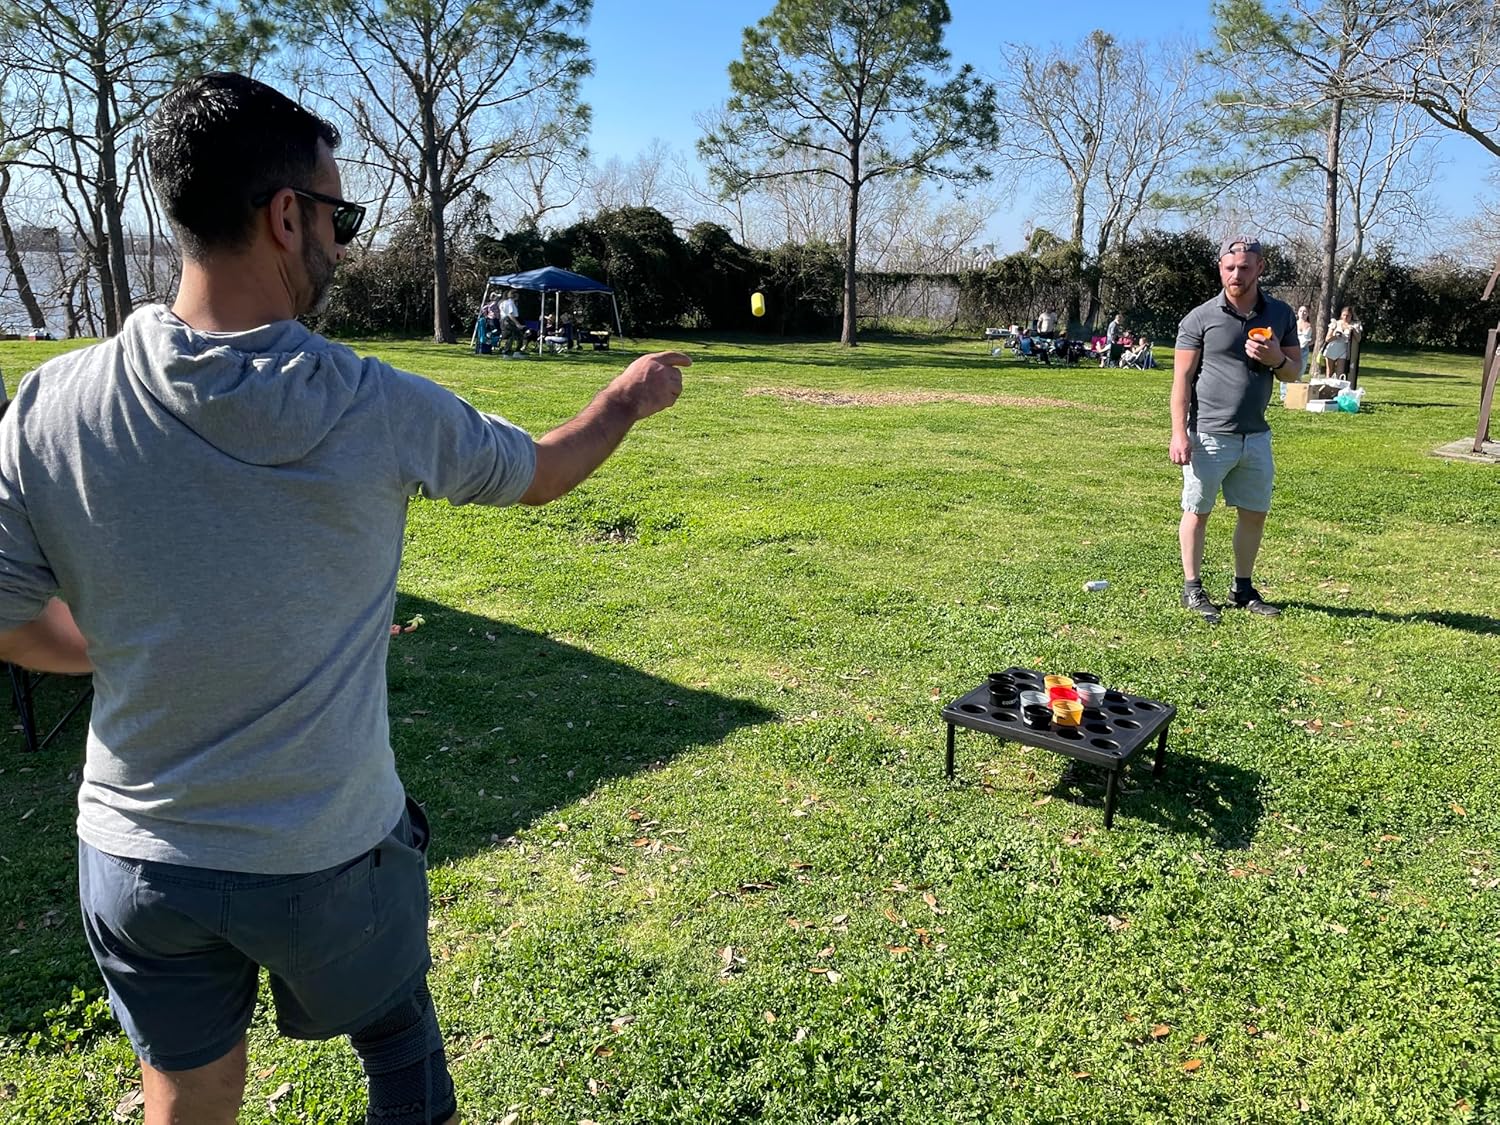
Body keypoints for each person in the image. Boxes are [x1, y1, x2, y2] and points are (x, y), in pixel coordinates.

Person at [0, 72, 688, 1125]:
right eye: (338, 215)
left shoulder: (47, 408)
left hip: (137, 861)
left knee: (186, 1096)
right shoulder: (379, 407)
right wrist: (627, 397)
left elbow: (8, 620)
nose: (340, 241)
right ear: (285, 218)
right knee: (400, 1038)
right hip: (326, 854)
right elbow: (544, 470)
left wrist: (118, 649)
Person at [1170, 235, 1300, 623]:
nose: (1236, 275)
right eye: (1230, 268)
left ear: (1260, 268)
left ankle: (1242, 588)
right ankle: (1192, 588)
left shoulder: (1279, 314)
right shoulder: (1199, 318)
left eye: (1245, 267)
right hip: (1208, 433)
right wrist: (1179, 432)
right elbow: (1181, 377)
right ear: (1220, 269)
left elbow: (1295, 371)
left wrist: (1276, 357)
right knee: (1198, 510)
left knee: (1254, 513)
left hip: (1255, 435)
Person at [1320, 305, 1360, 378]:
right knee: (1329, 372)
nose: (1345, 317)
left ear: (1351, 316)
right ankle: (1328, 387)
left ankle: (1338, 387)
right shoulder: (1335, 323)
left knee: (1340, 373)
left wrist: (1353, 331)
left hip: (1343, 349)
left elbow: (1358, 339)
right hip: (1332, 348)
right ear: (1341, 315)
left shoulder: (1354, 325)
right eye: (1344, 315)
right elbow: (1327, 338)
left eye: (1348, 315)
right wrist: (1336, 336)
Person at [498, 288, 525, 357]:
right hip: (508, 320)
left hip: (504, 320)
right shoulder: (510, 303)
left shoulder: (504, 302)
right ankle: (510, 352)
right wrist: (517, 324)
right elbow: (510, 314)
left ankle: (512, 352)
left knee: (512, 336)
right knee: (516, 336)